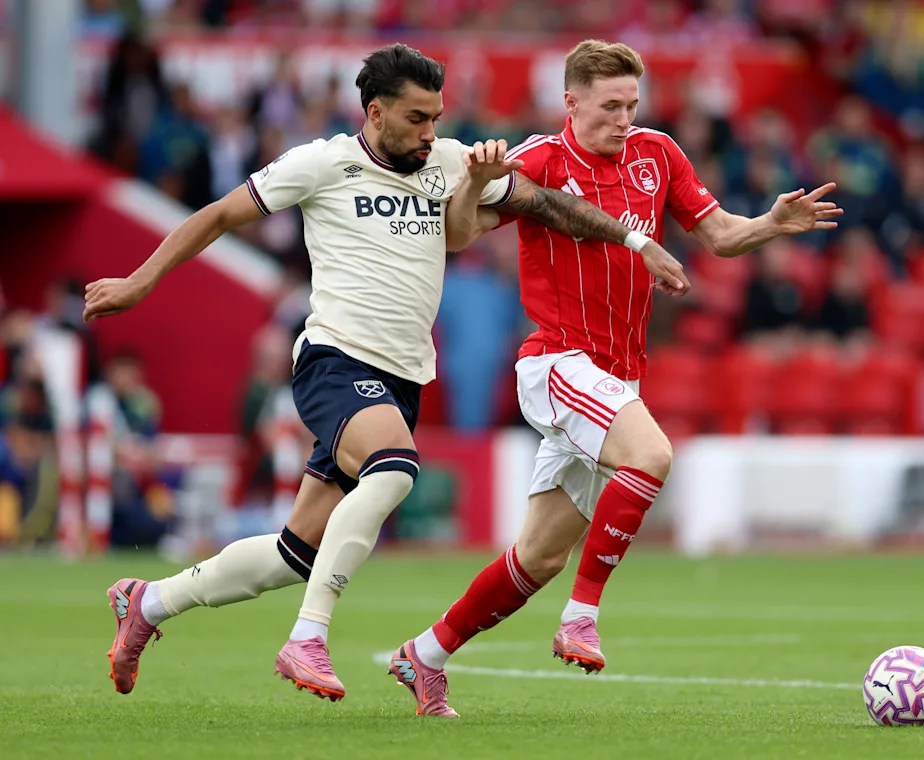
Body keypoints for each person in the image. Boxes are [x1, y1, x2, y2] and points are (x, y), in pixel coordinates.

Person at [86, 43, 690, 702]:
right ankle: (306, 638)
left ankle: (147, 603)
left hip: (401, 378)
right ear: (375, 113)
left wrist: (634, 240)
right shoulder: (324, 164)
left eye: (436, 117)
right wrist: (139, 283)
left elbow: (548, 206)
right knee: (396, 468)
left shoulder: (450, 161)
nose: (430, 132)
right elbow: (217, 216)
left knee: (292, 556)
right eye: (416, 119)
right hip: (335, 360)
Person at [387, 39, 841, 717]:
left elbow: (716, 235)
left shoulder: (657, 154)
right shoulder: (540, 160)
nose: (624, 118)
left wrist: (771, 224)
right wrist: (477, 183)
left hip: (616, 379)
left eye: (632, 103)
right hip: (557, 361)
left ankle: (423, 655)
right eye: (609, 106)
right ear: (571, 102)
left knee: (536, 558)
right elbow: (457, 235)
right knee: (653, 454)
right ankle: (582, 616)